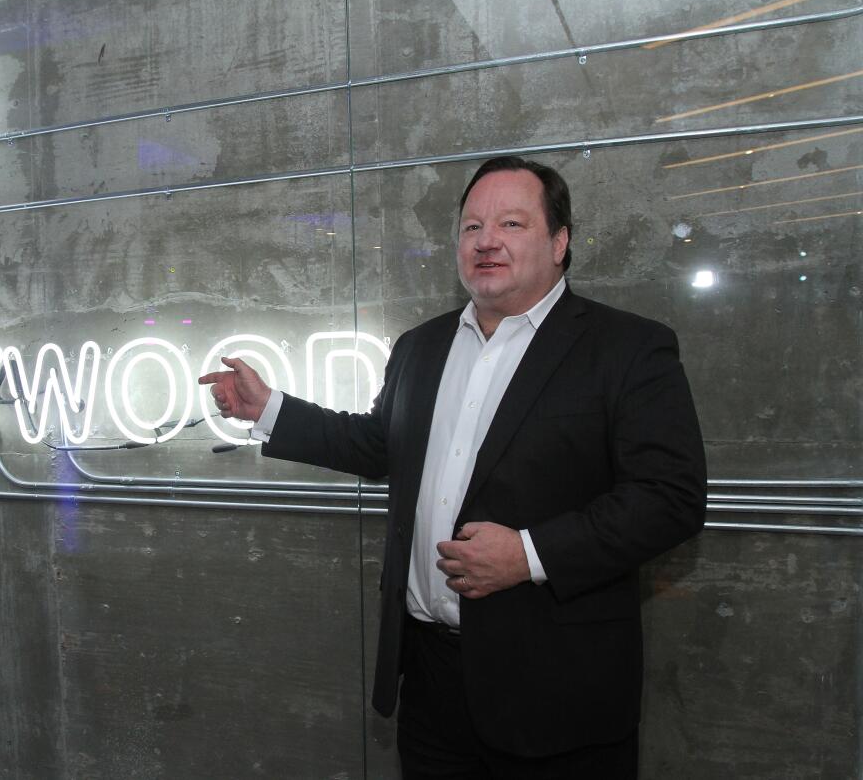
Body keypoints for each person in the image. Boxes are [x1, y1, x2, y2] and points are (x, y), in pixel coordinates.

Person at [198, 156, 706, 779]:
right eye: (471, 227)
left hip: (556, 692)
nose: (487, 240)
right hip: (432, 684)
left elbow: (669, 497)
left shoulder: (627, 348)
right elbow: (378, 445)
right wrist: (268, 409)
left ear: (560, 241)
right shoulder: (421, 346)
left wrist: (528, 555)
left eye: (512, 224)